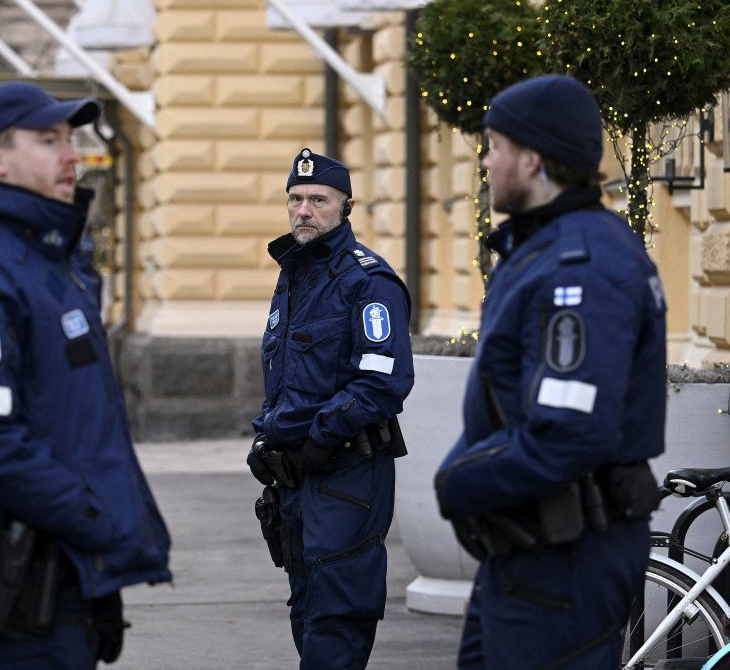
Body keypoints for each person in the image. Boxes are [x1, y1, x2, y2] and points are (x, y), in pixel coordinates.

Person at [0, 81, 172, 668]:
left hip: (67, 572)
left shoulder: (47, 263)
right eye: (48, 140)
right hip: (18, 580)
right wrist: (95, 518)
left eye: (70, 138)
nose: (72, 155)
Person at [434, 74, 668, 668]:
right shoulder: (545, 247)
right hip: (526, 550)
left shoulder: (581, 266)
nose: (486, 162)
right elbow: (506, 397)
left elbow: (569, 431)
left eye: (494, 146)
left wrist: (459, 482)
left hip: (565, 559)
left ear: (532, 158)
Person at [247, 148, 414, 669]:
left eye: (318, 200)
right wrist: (266, 436)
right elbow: (288, 379)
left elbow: (382, 383)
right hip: (296, 475)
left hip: (346, 473)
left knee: (337, 614)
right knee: (306, 607)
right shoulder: (295, 276)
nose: (303, 210)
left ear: (347, 206)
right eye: (295, 199)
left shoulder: (368, 282)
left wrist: (320, 436)